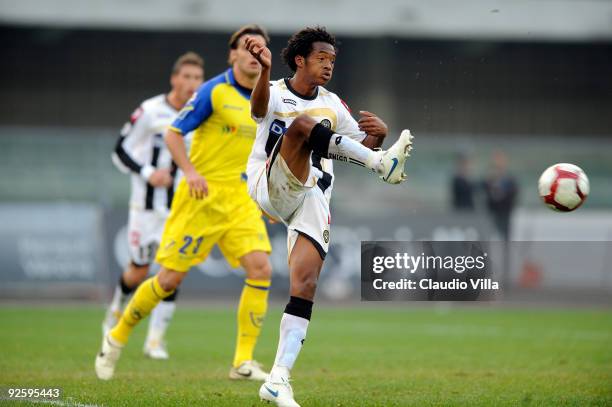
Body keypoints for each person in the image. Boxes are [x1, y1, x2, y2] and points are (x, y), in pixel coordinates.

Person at [244, 27, 414, 406]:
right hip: (270, 184)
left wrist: (379, 140)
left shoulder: (335, 104)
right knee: (305, 127)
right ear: (300, 60)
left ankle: (278, 378)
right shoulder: (274, 91)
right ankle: (382, 167)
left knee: (305, 284)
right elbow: (257, 111)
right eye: (321, 58)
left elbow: (352, 147)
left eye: (333, 60)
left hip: (312, 196)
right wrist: (260, 71)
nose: (328, 66)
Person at [96, 25, 274, 382]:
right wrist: (190, 172)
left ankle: (242, 361)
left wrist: (268, 196)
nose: (254, 53)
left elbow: (266, 151)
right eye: (247, 47)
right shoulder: (214, 91)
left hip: (239, 199)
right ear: (232, 55)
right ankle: (115, 338)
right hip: (201, 198)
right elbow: (175, 133)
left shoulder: (268, 97)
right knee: (167, 279)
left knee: (261, 269)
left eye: (261, 49)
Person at [105, 52, 204, 359]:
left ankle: (155, 340)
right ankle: (115, 310)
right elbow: (120, 149)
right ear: (174, 78)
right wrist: (149, 173)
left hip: (182, 208)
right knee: (139, 270)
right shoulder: (150, 110)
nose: (191, 83)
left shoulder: (201, 113)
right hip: (147, 209)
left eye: (197, 78)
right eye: (186, 77)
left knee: (173, 270)